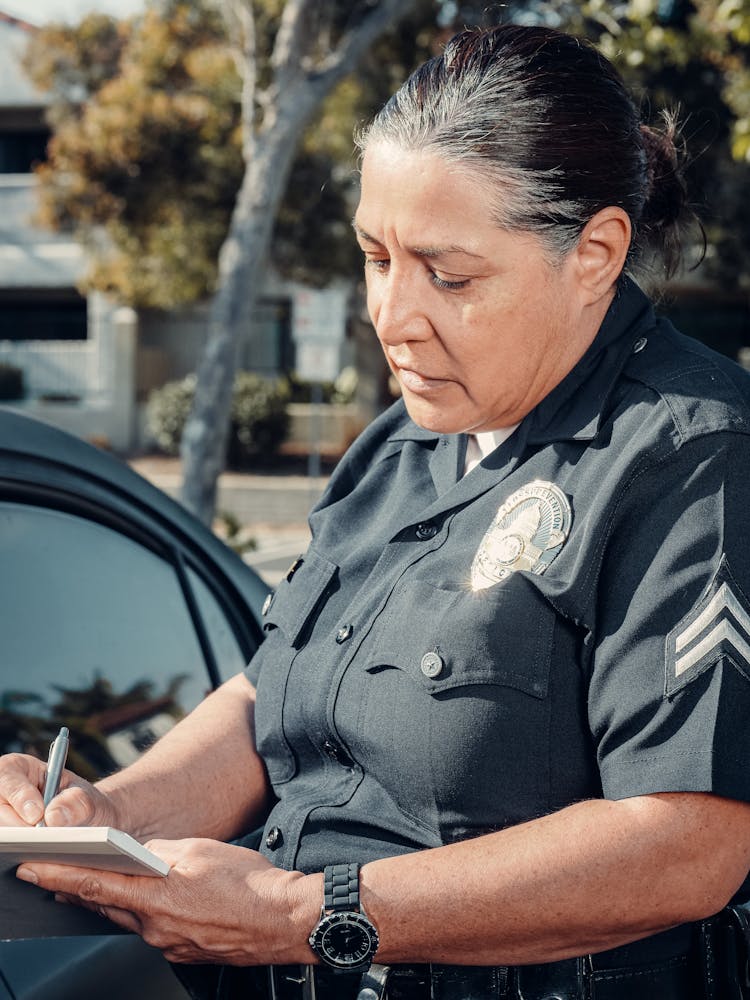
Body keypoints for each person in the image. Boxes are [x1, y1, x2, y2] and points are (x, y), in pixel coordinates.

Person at [3, 22, 750, 1000]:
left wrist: (302, 914)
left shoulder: (693, 457)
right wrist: (101, 817)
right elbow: (271, 697)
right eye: (375, 257)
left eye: (449, 275)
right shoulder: (402, 441)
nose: (392, 316)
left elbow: (689, 840)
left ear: (596, 253)